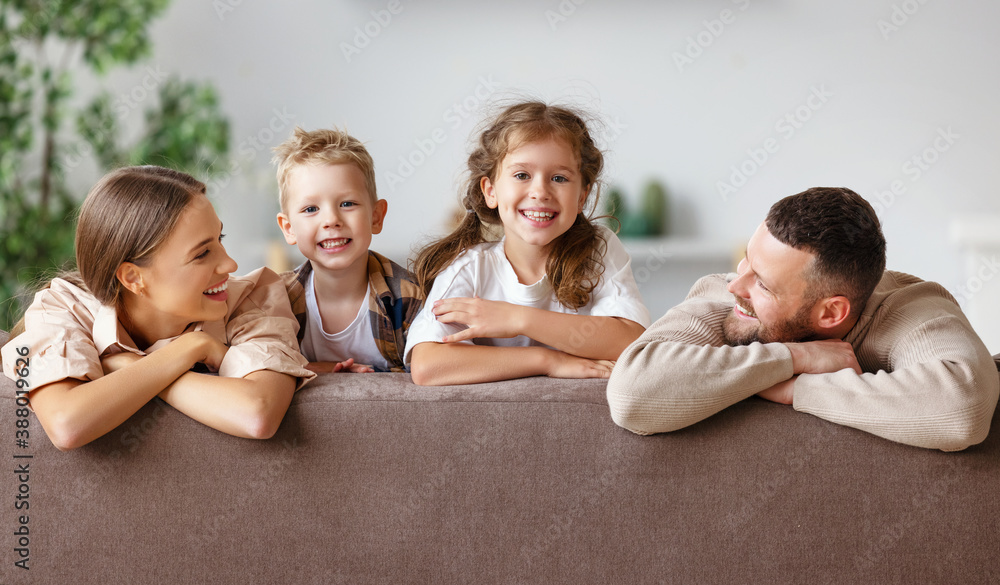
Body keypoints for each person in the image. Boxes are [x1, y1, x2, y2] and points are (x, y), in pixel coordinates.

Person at [607, 187, 999, 451]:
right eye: (747, 258)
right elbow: (631, 394)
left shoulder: (911, 309)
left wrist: (798, 390)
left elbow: (962, 408)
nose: (735, 286)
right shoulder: (722, 296)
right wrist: (795, 360)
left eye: (762, 283)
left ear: (831, 312)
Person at [1, 166, 314, 450]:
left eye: (220, 238)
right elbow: (67, 425)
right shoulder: (64, 307)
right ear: (133, 277)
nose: (230, 264)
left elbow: (257, 414)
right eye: (203, 253)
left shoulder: (254, 297)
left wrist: (127, 366)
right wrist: (191, 348)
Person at [406, 101, 650, 386]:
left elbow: (630, 340)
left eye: (559, 178)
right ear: (491, 191)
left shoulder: (599, 250)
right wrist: (547, 361)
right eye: (522, 175)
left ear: (582, 196)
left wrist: (517, 318)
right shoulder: (469, 269)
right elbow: (428, 366)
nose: (540, 192)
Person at [274, 127, 423, 373]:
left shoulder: (408, 298)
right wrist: (315, 368)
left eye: (347, 203)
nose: (331, 220)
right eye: (311, 209)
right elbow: (258, 363)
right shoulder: (277, 301)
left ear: (376, 217)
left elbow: (429, 375)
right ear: (289, 228)